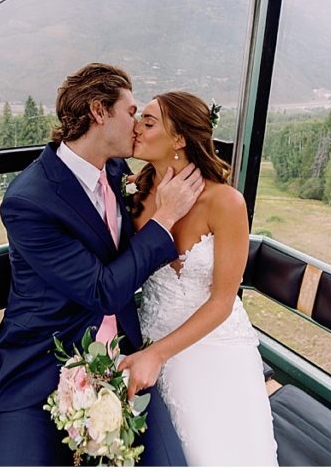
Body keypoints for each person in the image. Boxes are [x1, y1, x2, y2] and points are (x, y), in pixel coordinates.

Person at [0, 63, 203, 466]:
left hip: (125, 363)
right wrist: (164, 220)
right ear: (100, 112)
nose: (136, 124)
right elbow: (102, 290)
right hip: (42, 368)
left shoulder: (117, 170)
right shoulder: (29, 201)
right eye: (131, 112)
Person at [119, 91, 279, 466]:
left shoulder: (225, 202)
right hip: (153, 332)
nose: (136, 128)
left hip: (217, 340)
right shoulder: (132, 196)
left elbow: (223, 301)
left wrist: (155, 355)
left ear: (179, 139)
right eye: (137, 118)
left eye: (148, 121)